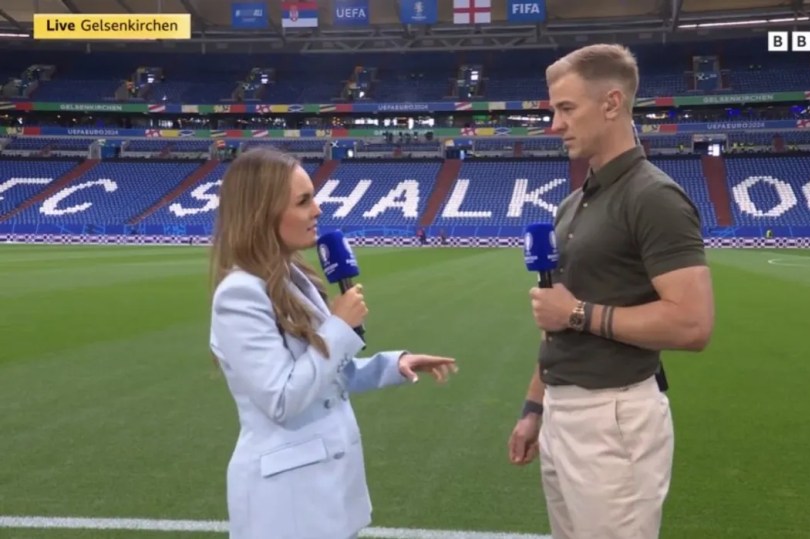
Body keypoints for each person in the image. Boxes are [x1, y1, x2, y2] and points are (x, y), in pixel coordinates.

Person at [507, 44, 715, 539]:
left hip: (613, 417)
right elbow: (555, 324)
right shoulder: (573, 204)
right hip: (562, 411)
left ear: (611, 103)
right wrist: (534, 408)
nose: (555, 125)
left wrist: (576, 312)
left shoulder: (654, 197)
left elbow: (692, 324)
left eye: (566, 108)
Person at [208, 147, 457, 539]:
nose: (318, 210)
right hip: (286, 503)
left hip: (327, 490)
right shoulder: (240, 294)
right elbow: (282, 398)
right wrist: (339, 325)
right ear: (262, 213)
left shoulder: (294, 277)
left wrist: (393, 365)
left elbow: (328, 376)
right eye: (303, 201)